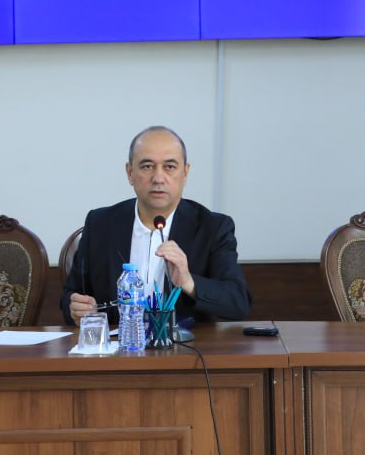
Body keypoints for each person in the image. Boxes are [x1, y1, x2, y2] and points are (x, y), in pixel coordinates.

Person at [61, 125, 252, 326]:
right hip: (119, 343)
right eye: (147, 166)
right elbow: (70, 296)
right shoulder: (100, 223)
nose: (158, 178)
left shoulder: (212, 227)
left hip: (187, 344)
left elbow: (239, 303)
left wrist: (188, 282)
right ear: (130, 173)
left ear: (185, 173)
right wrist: (75, 309)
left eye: (169, 167)